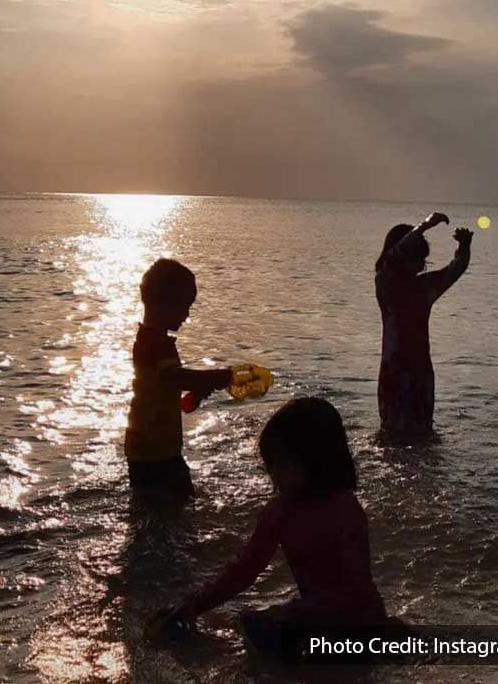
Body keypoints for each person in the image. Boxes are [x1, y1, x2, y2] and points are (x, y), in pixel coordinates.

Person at [147, 397, 386, 654]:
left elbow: (357, 590)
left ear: (315, 460)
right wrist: (195, 604)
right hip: (313, 621)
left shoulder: (344, 510)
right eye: (270, 466)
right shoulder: (279, 512)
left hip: (360, 624)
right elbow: (244, 570)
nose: (274, 475)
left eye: (281, 464)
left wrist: (290, 611)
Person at [125, 258, 232, 497]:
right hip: (156, 449)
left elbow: (164, 384)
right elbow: (174, 377)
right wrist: (215, 378)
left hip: (148, 444)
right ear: (165, 304)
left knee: (154, 504)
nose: (187, 315)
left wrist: (195, 392)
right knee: (178, 501)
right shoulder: (158, 343)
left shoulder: (148, 339)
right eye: (185, 306)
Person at [375, 212, 473, 438]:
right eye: (418, 257)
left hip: (418, 371)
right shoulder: (386, 285)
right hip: (396, 372)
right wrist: (426, 225)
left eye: (423, 258)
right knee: (393, 433)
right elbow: (392, 256)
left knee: (423, 434)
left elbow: (455, 269)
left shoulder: (424, 287)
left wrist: (465, 246)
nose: (422, 264)